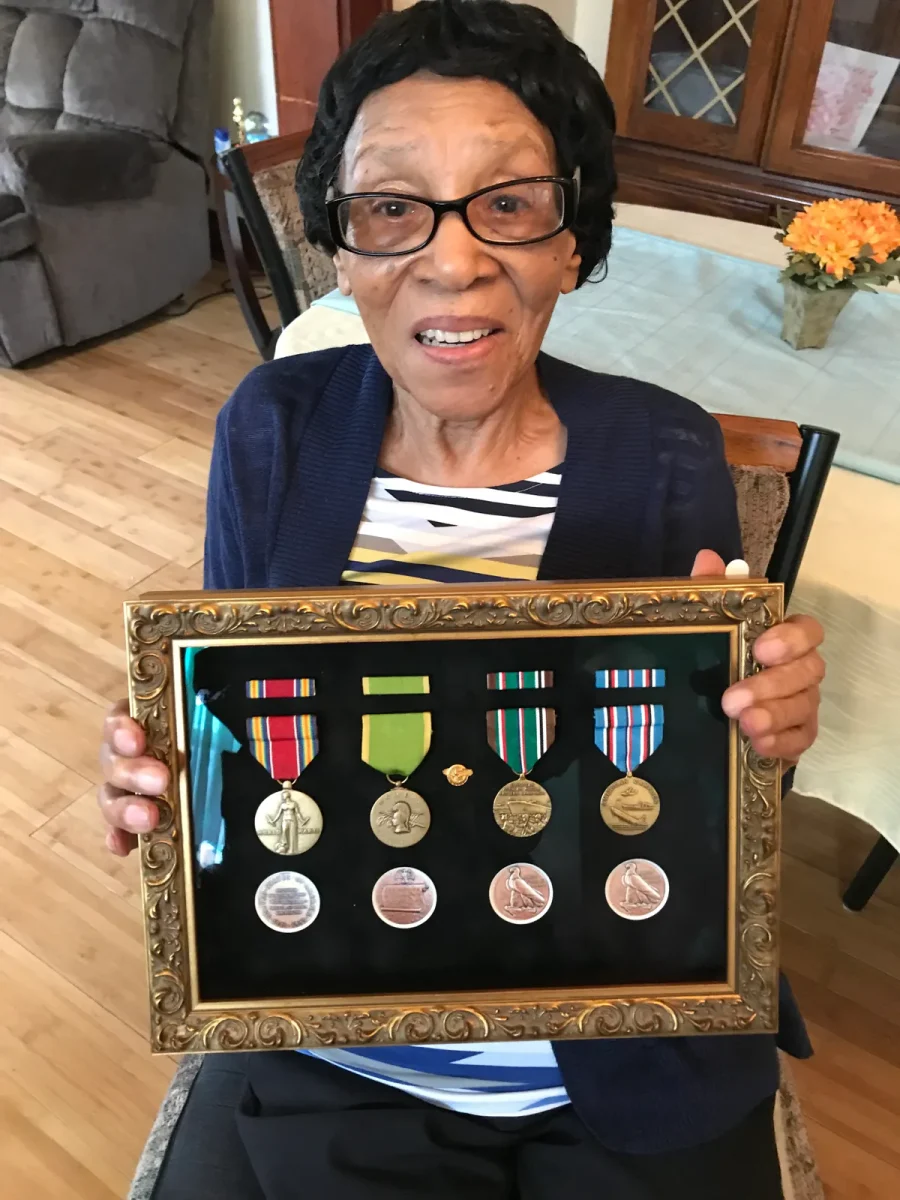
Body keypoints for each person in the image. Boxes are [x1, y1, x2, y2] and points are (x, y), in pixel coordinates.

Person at [98, 3, 825, 1196]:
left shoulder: (666, 452)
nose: (452, 258)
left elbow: (689, 788)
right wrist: (165, 783)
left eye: (510, 202)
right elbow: (234, 720)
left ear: (572, 242)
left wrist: (766, 728)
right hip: (346, 1054)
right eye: (392, 206)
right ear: (342, 245)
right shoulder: (272, 430)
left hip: (618, 1056)